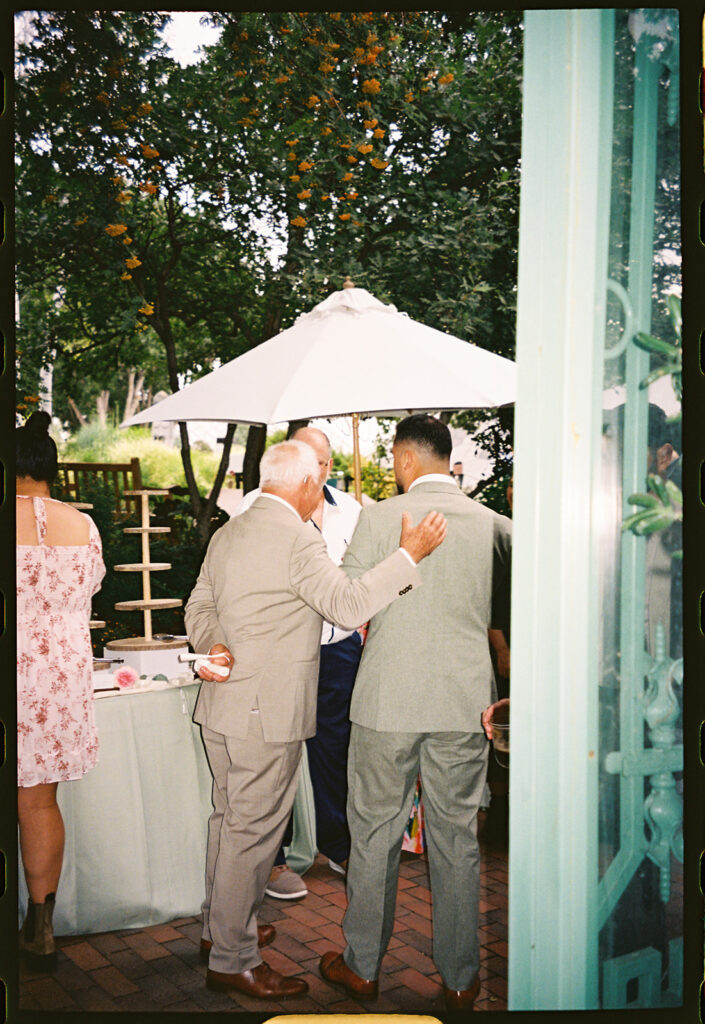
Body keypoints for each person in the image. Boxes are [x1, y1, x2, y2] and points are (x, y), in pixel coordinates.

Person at [184, 439, 446, 1000]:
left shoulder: (229, 531)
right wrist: (408, 558)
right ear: (304, 483)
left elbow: (197, 607)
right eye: (318, 481)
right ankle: (234, 958)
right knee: (253, 835)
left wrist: (215, 644)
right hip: (267, 712)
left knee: (228, 822)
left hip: (223, 706)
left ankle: (219, 929)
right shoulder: (298, 538)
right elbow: (349, 607)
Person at [318, 413, 512, 1012]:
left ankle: (363, 968)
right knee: (457, 838)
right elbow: (507, 621)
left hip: (387, 701)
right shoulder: (497, 527)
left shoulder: (375, 518)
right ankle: (459, 977)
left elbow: (346, 611)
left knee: (374, 834)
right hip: (464, 703)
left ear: (404, 459)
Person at [233, 427, 364, 900]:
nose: (319, 470)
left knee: (335, 751)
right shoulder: (256, 506)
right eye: (310, 459)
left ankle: (338, 844)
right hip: (280, 650)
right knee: (278, 753)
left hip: (338, 647)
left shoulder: (351, 509)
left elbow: (362, 578)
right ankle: (275, 857)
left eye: (325, 461)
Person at [16, 411, 106, 970]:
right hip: (58, 686)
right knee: (40, 802)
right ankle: (40, 925)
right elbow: (89, 592)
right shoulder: (84, 526)